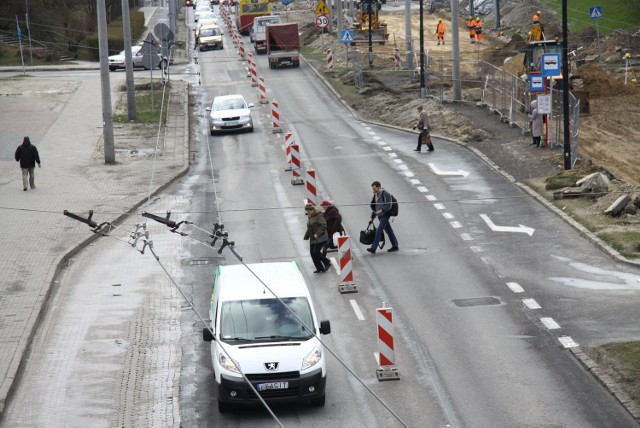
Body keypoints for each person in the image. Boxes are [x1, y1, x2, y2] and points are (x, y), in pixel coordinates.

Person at [367, 181, 399, 254]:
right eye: (373, 188)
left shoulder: (386, 194)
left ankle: (373, 248)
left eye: (374, 188)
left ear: (379, 187)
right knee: (389, 231)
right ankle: (395, 245)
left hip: (385, 214)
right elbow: (375, 207)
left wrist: (381, 210)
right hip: (380, 216)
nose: (373, 190)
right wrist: (372, 217)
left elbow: (389, 205)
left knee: (379, 230)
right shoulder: (376, 195)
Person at [303, 204, 332, 273]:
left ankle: (327, 262)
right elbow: (310, 227)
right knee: (312, 253)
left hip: (321, 237)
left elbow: (324, 225)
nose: (308, 212)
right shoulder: (310, 217)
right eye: (307, 210)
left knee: (315, 252)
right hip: (313, 238)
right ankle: (319, 268)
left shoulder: (318, 216)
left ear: (313, 210)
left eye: (309, 210)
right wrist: (306, 236)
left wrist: (317, 234)